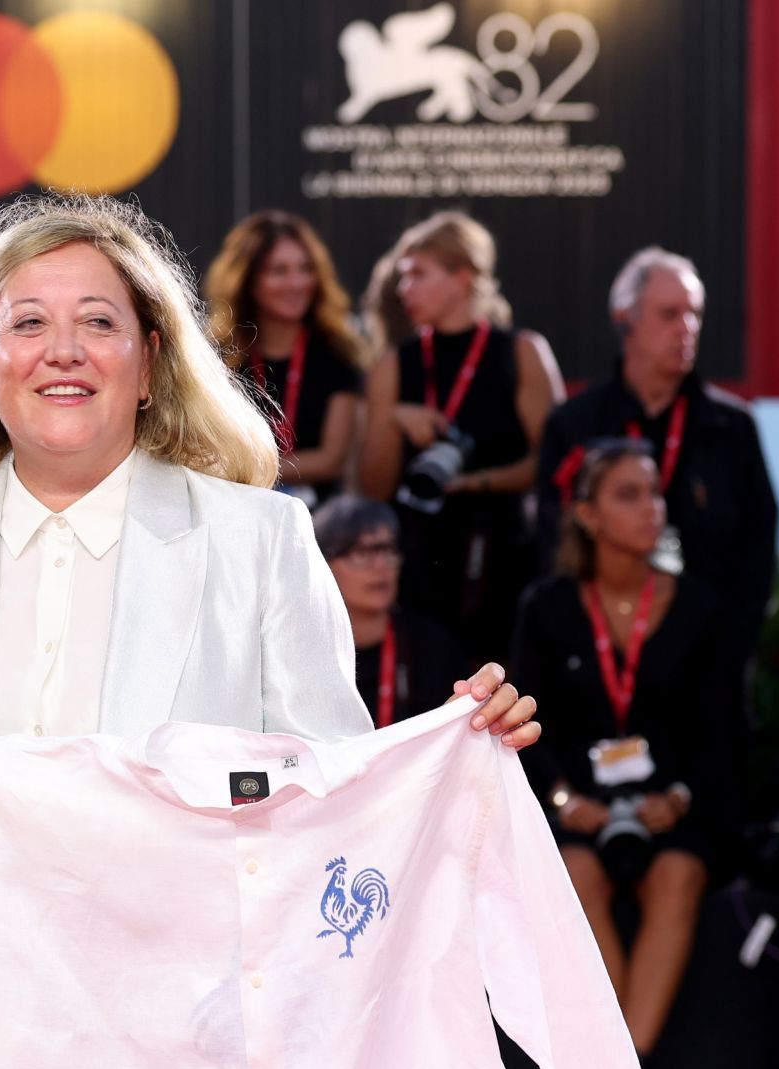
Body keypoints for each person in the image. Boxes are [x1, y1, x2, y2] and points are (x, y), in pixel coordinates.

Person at [0, 194, 539, 1069]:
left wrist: (448, 759)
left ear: (152, 359)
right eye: (27, 322)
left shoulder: (260, 542)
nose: (63, 350)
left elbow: (328, 806)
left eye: (99, 321)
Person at [513, 438, 736, 1057]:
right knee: (574, 872)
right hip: (580, 808)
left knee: (678, 875)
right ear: (588, 514)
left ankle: (628, 1063)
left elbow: (721, 732)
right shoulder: (547, 608)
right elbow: (524, 727)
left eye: (655, 494)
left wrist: (680, 797)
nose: (651, 509)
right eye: (629, 495)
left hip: (673, 806)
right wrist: (564, 800)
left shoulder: (700, 606)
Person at [535, 247, 777, 673]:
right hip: (595, 665)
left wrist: (734, 643)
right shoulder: (575, 424)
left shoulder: (732, 426)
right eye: (669, 314)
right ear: (624, 319)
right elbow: (552, 543)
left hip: (709, 665)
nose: (687, 328)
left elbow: (757, 544)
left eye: (694, 314)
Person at [357, 211, 565, 665]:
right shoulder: (394, 365)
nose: (403, 288)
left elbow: (555, 463)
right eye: (402, 276)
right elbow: (372, 489)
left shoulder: (522, 352)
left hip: (509, 556)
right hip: (421, 563)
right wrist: (393, 418)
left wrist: (475, 483)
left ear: (462, 277)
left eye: (418, 274)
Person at [205, 210, 367, 508]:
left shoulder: (337, 352)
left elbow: (332, 461)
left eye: (305, 269)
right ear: (248, 280)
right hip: (232, 510)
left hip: (319, 518)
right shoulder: (215, 357)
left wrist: (245, 468)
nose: (297, 283)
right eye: (279, 271)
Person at [312, 495, 464, 728]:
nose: (380, 565)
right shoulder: (302, 649)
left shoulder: (431, 646)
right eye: (361, 553)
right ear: (322, 564)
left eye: (387, 550)